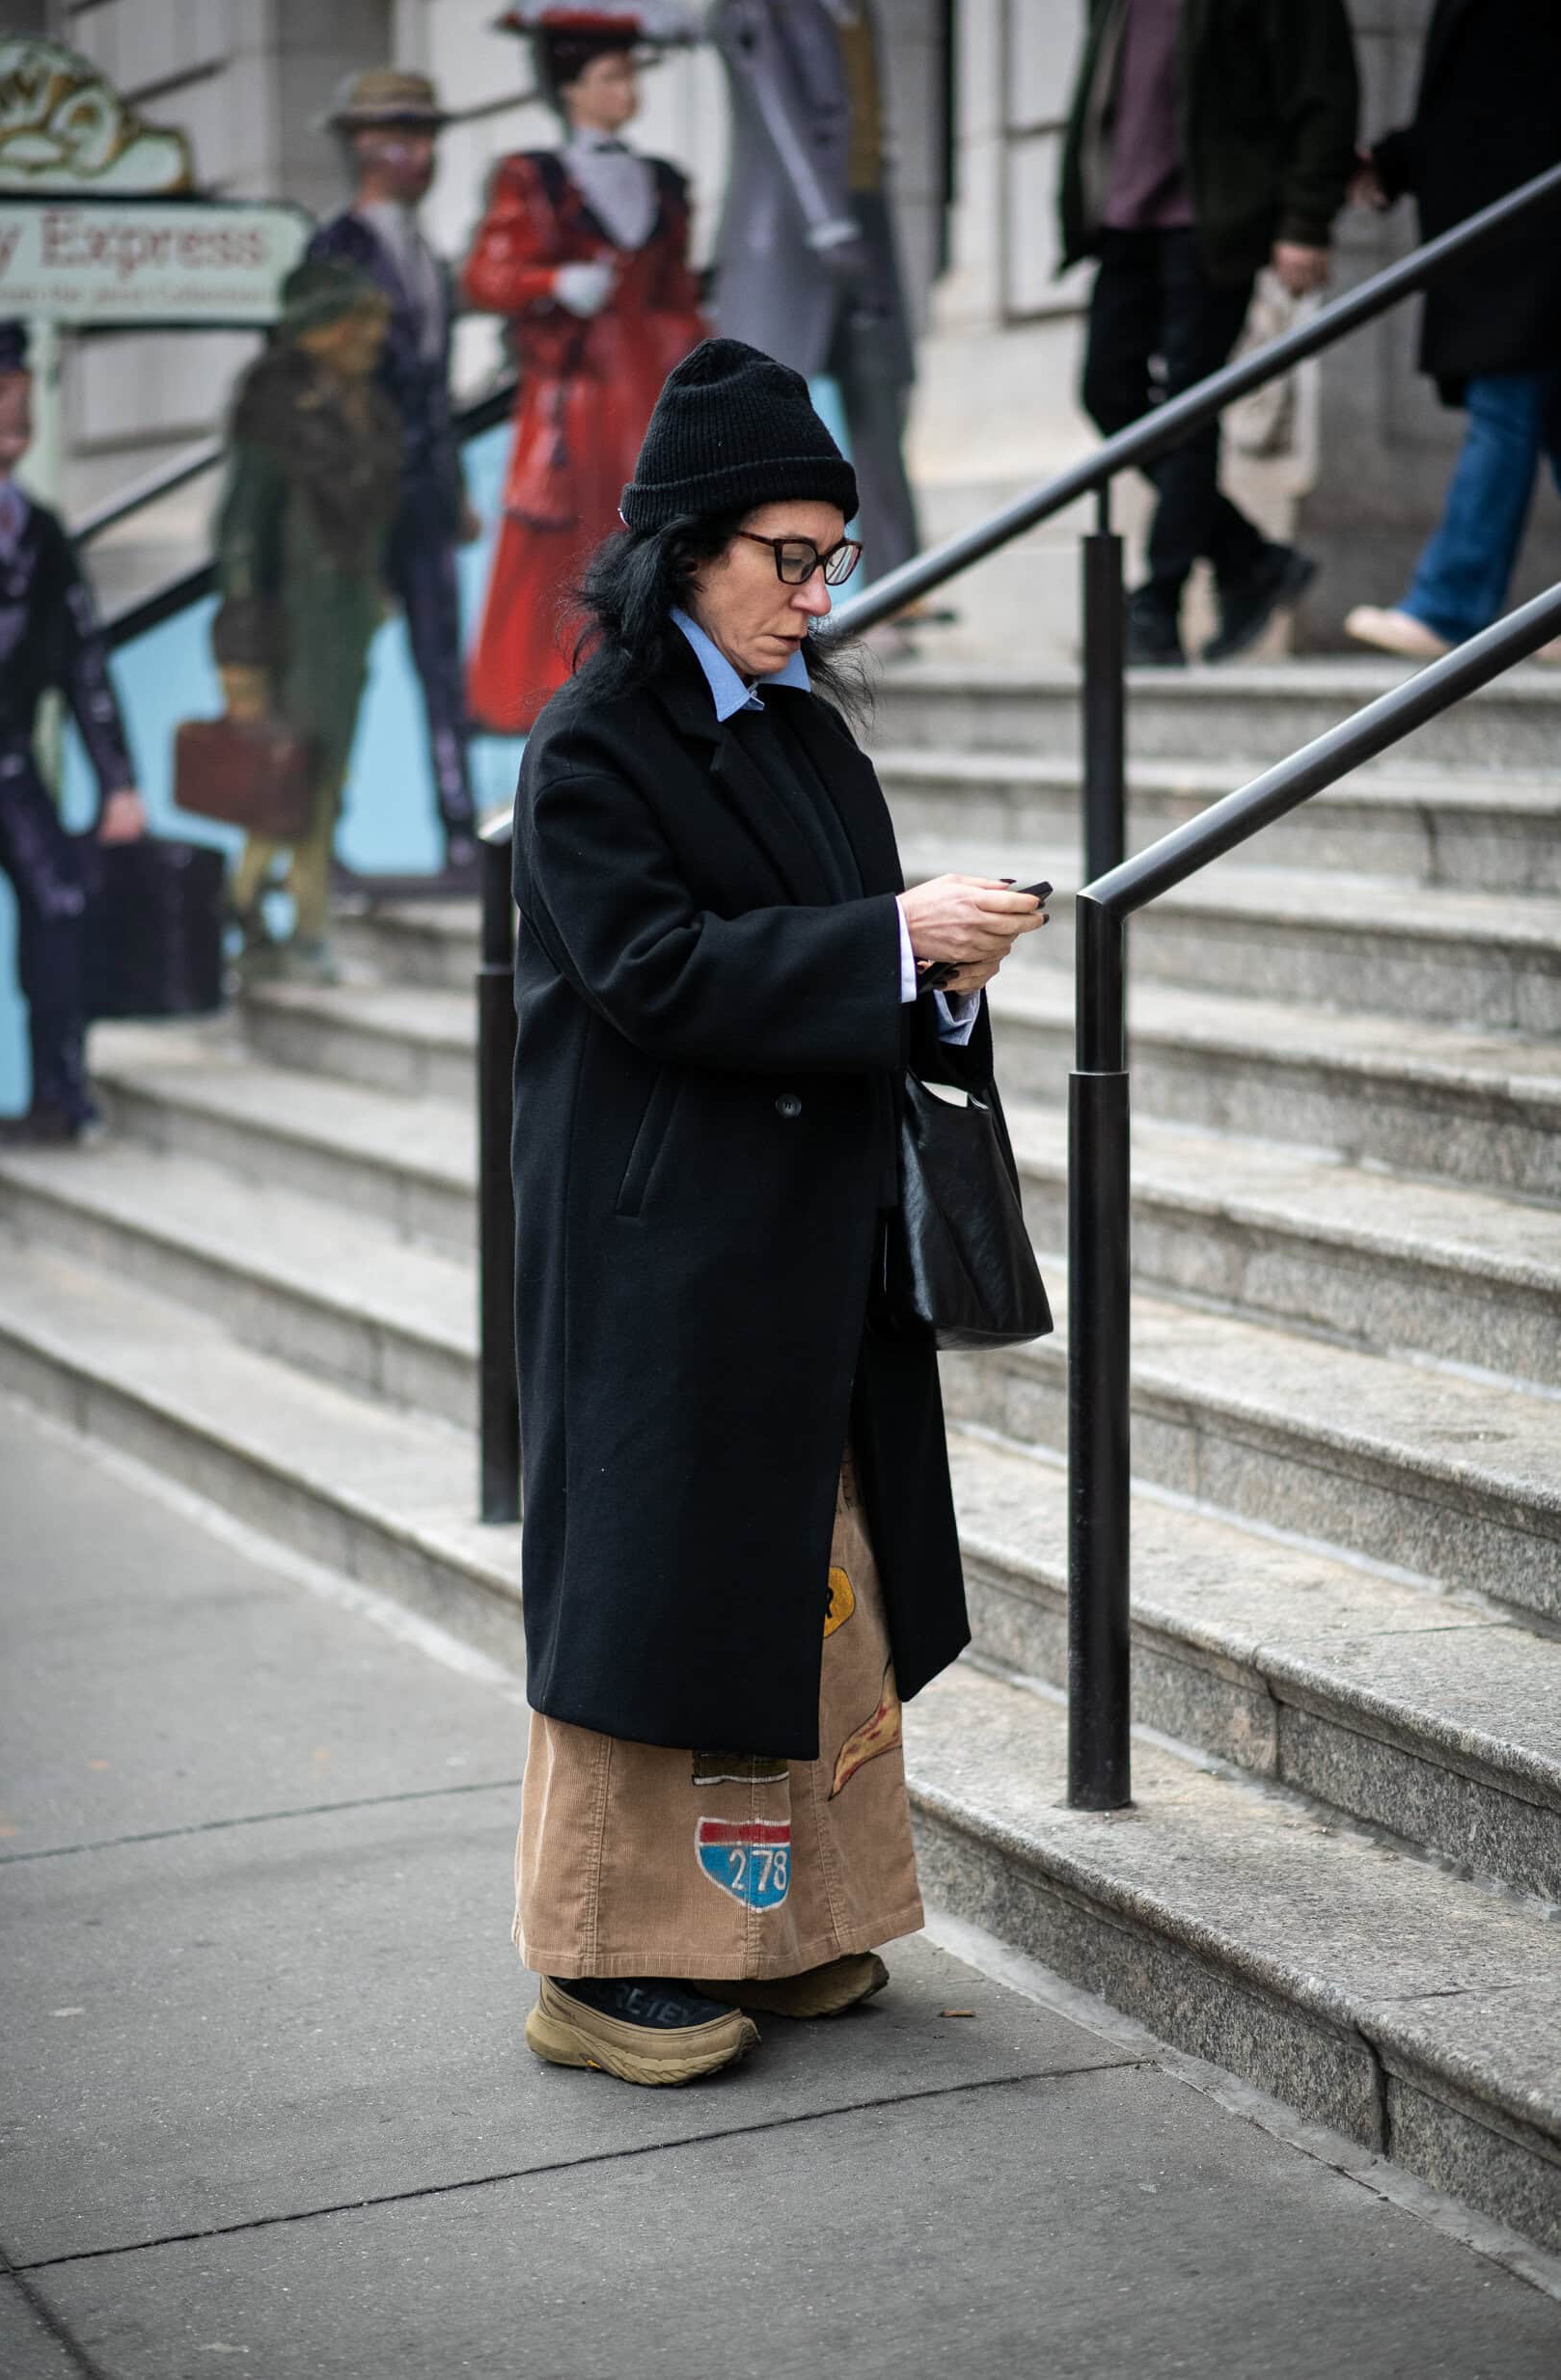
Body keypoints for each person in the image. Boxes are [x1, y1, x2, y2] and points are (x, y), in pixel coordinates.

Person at [508, 338, 1051, 2085]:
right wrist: (891, 938)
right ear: (684, 549)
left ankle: (790, 1930)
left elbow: (850, 979)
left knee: (820, 1580)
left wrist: (940, 981)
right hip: (666, 1253)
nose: (816, 597)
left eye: (833, 558)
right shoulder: (592, 740)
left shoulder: (808, 732)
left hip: (809, 1243)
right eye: (787, 558)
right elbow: (653, 973)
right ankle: (599, 1962)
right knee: (660, 1600)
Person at [1058, 0, 1359, 666]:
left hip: (1213, 221)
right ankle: (1245, 556)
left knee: (1190, 408)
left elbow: (1323, 86)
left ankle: (1158, 606)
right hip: (1124, 221)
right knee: (1108, 393)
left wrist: (1306, 218)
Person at [460, 0, 704, 736]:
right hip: (577, 396)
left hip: (651, 383)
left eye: (629, 75)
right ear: (569, 88)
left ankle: (654, 677)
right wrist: (552, 280)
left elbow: (678, 295)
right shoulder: (534, 178)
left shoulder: (662, 183)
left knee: (654, 532)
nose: (624, 91)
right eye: (607, 77)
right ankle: (549, 687)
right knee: (568, 539)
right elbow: (488, 274)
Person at [0, 321, 145, 1144]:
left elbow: (83, 661)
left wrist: (118, 781)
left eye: (25, 394)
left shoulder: (39, 531)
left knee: (60, 900)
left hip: (3, 762)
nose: (17, 413)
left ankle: (59, 1096)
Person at [1344, 0, 1561, 665]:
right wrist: (1397, 160)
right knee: (1541, 412)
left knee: (1504, 409)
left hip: (1530, 226)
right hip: (1499, 227)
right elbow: (1477, 96)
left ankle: (1448, 604)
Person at [307, 69, 480, 868]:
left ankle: (459, 828)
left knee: (442, 665)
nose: (422, 153)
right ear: (364, 146)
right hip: (360, 498)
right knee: (339, 666)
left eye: (426, 136)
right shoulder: (335, 253)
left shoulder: (427, 258)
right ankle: (319, 836)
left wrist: (456, 488)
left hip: (427, 494)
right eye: (405, 136)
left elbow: (434, 392)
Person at [212, 260, 401, 983]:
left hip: (342, 617)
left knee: (313, 775)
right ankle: (297, 920)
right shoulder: (277, 406)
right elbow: (242, 532)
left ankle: (248, 907)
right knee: (302, 778)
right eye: (360, 322)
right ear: (325, 329)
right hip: (290, 623)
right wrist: (242, 656)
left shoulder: (362, 404)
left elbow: (372, 512)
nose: (375, 337)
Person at [709, 0, 921, 590]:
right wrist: (826, 222)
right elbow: (777, 113)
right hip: (783, 235)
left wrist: (853, 220)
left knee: (880, 404)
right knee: (764, 425)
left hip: (864, 217)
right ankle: (756, 588)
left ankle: (900, 583)